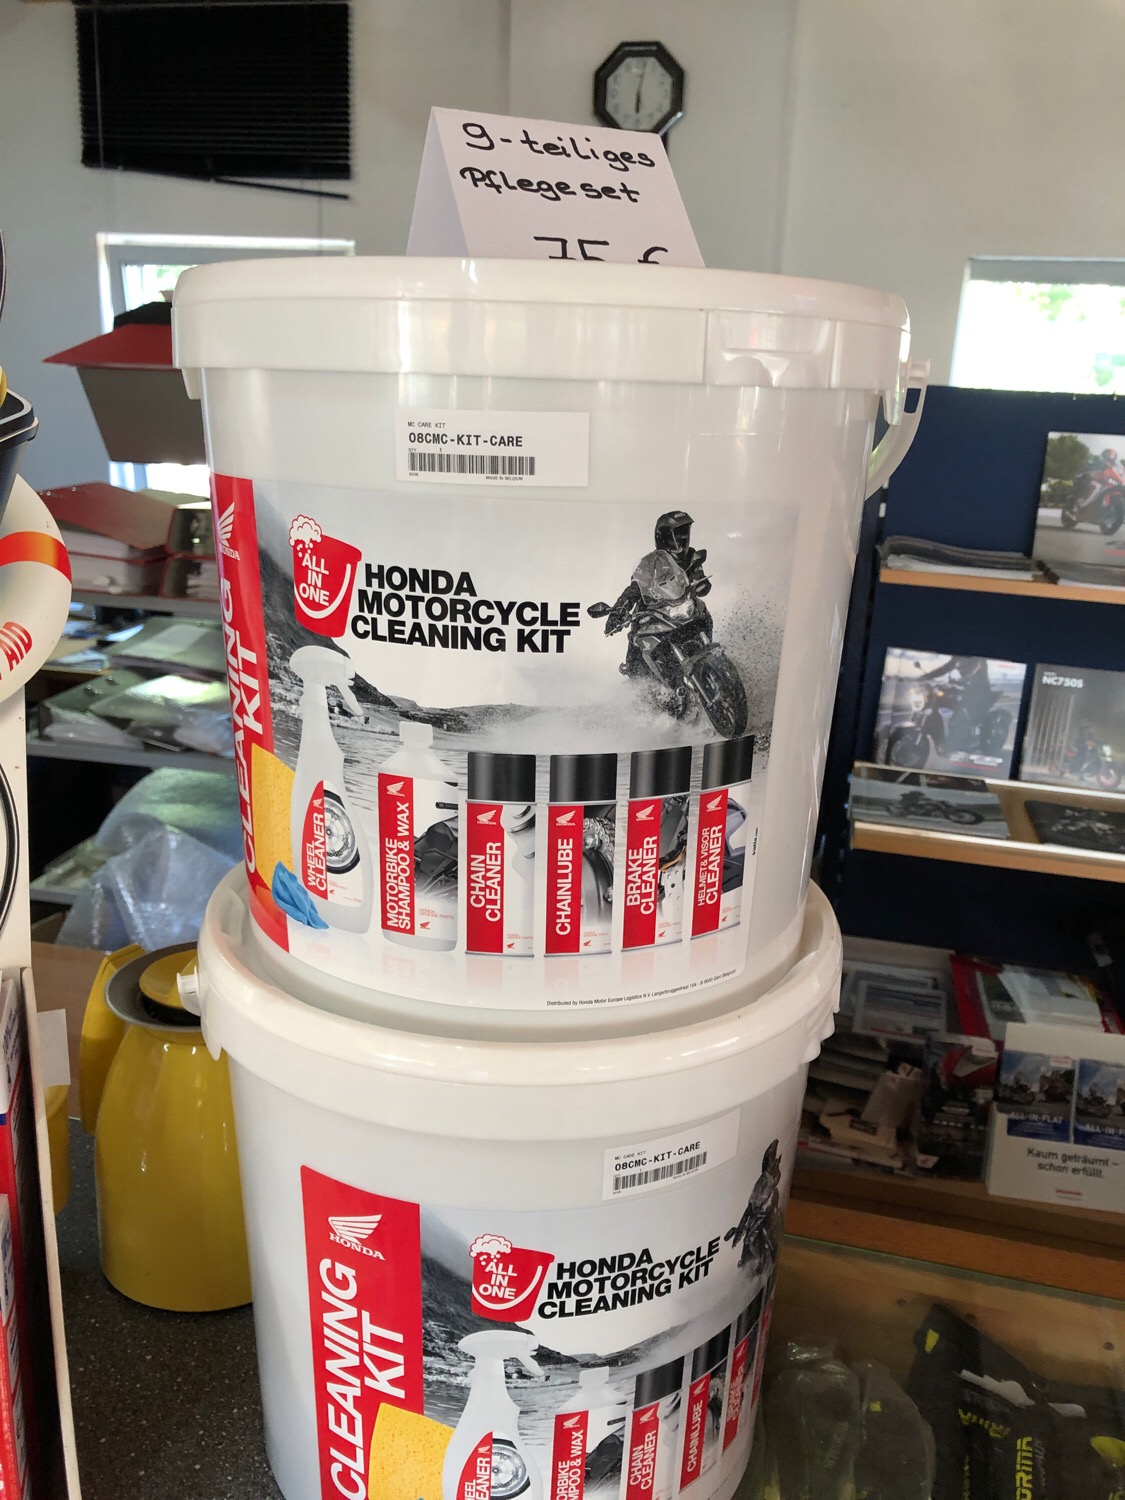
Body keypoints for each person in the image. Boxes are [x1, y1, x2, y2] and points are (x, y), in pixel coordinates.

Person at [599, 511, 712, 682]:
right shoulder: (649, 563)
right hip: (653, 613)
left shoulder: (691, 555)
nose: (682, 537)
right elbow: (634, 589)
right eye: (678, 533)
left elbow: (698, 574)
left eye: (684, 532)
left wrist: (701, 582)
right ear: (664, 537)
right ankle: (637, 682)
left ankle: (711, 659)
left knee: (702, 611)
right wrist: (617, 611)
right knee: (637, 637)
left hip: (681, 606)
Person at [914, 655, 994, 735]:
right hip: (965, 685)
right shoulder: (957, 658)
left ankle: (975, 730)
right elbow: (944, 669)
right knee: (943, 699)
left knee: (971, 708)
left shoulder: (978, 659)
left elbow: (975, 670)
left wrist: (961, 680)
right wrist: (926, 676)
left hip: (979, 688)